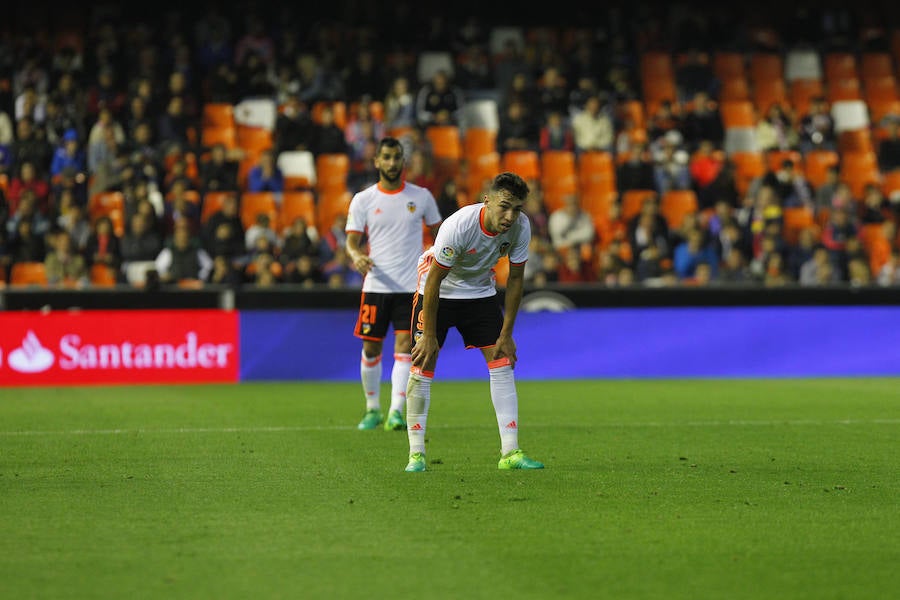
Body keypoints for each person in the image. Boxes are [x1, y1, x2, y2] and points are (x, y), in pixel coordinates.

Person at [403, 171, 544, 472]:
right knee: (423, 362)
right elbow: (434, 280)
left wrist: (506, 333)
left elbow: (516, 280)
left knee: (501, 361)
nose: (510, 216)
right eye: (504, 206)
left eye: (517, 209)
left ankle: (510, 452)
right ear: (487, 200)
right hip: (438, 290)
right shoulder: (459, 225)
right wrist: (429, 335)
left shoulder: (520, 228)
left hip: (479, 292)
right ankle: (416, 455)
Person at [345, 137, 442, 431]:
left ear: (403, 161)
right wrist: (356, 255)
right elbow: (351, 241)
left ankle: (395, 411)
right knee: (372, 349)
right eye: (386, 157)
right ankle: (372, 408)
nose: (391, 162)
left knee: (404, 347)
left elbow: (441, 234)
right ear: (376, 161)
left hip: (411, 288)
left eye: (396, 157)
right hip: (376, 285)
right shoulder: (363, 199)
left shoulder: (422, 196)